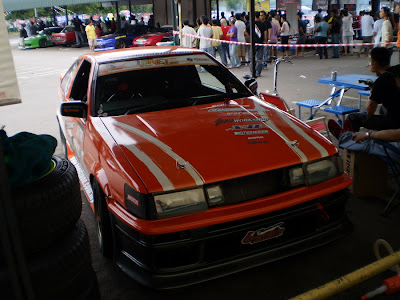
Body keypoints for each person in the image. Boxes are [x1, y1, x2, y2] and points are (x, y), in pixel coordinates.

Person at [330, 47, 400, 135]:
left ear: (374, 63)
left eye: (370, 62)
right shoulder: (397, 69)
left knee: (353, 117)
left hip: (395, 122)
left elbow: (370, 110)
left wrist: (373, 91)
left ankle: (346, 138)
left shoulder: (381, 81)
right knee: (383, 109)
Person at [244, 12, 266, 77]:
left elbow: (245, 31)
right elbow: (265, 33)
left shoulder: (250, 24)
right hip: (260, 43)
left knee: (251, 57)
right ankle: (258, 72)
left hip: (253, 43)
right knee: (259, 58)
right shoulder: (262, 24)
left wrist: (250, 37)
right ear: (258, 16)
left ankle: (252, 71)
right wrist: (265, 41)